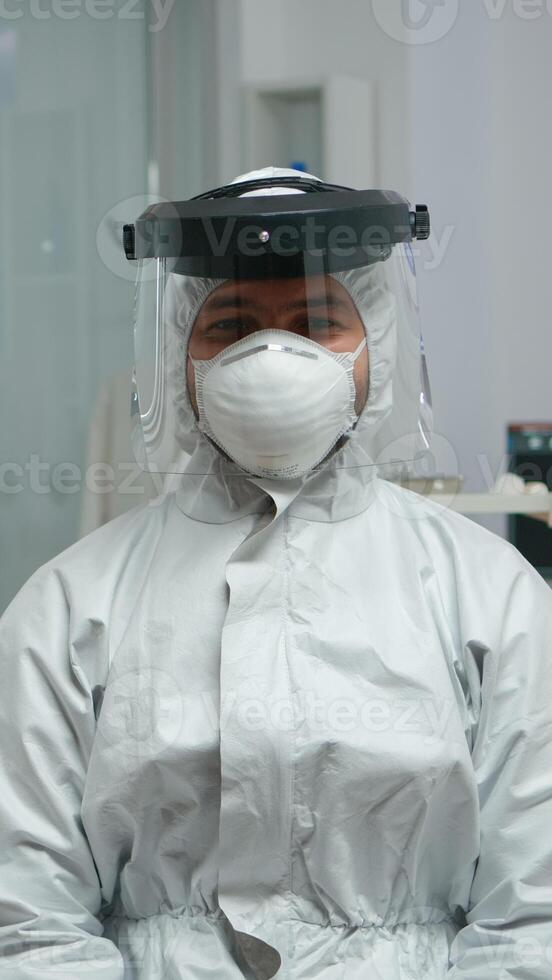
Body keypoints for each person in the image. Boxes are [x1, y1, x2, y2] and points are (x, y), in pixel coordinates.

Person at [0, 166, 551, 980]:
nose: (271, 356)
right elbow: (29, 922)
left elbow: (532, 920)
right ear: (180, 349)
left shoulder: (489, 596)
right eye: (228, 324)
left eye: (317, 319)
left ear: (378, 345)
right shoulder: (70, 606)